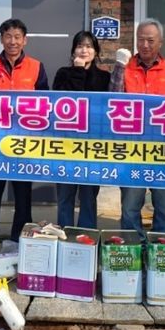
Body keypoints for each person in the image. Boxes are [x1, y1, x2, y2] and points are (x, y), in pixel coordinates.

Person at [0, 18, 48, 261]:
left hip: (25, 143)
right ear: (1, 39)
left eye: (17, 37)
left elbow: (46, 103)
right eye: (8, 36)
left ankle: (19, 243)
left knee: (23, 197)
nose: (13, 41)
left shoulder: (36, 67)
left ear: (25, 40)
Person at [111, 18, 165, 240]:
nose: (144, 45)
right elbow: (113, 100)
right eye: (140, 40)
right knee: (130, 207)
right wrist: (119, 67)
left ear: (161, 42)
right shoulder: (125, 68)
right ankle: (133, 248)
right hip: (132, 151)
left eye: (150, 40)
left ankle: (160, 250)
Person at [53, 31, 110, 228]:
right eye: (79, 46)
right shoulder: (63, 73)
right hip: (65, 145)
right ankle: (64, 234)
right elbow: (64, 102)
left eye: (89, 46)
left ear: (96, 52)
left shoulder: (104, 77)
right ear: (73, 51)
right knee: (65, 196)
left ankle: (87, 237)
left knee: (88, 197)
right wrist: (77, 71)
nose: (84, 50)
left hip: (92, 147)